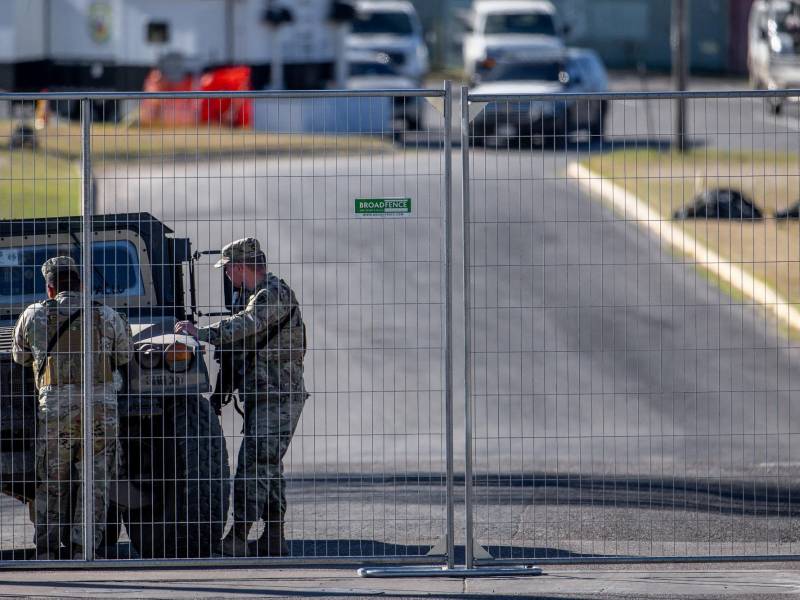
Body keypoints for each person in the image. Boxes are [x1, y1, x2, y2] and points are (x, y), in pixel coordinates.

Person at [175, 237, 307, 557]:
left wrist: (200, 333)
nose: (227, 277)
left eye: (228, 270)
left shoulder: (272, 293)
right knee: (268, 466)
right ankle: (274, 536)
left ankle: (238, 536)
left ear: (238, 267)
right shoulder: (258, 294)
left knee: (252, 466)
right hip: (268, 395)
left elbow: (247, 325)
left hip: (277, 395)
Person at [12, 256, 133, 559]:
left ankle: (47, 551)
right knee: (95, 483)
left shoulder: (33, 315)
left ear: (50, 288)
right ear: (80, 283)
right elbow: (124, 355)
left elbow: (20, 357)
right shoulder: (106, 315)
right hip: (99, 409)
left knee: (51, 483)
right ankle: (85, 549)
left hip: (55, 412)